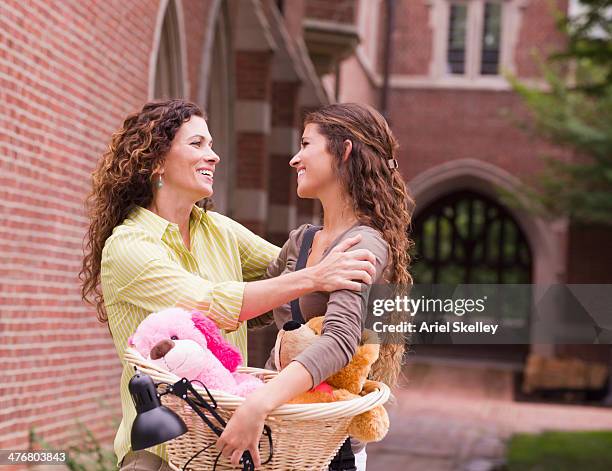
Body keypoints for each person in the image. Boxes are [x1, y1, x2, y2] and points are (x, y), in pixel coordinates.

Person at [79, 99, 378, 470]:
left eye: (212, 144)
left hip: (227, 448)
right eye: (197, 144)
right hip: (161, 454)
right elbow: (213, 304)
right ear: (155, 161)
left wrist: (361, 244)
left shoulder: (218, 230)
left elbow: (292, 275)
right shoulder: (129, 247)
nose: (214, 156)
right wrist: (315, 276)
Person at [216, 103, 414, 470]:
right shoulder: (302, 241)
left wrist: (258, 403)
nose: (295, 159)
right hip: (285, 436)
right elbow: (253, 309)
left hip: (328, 449)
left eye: (306, 144)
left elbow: (339, 341)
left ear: (345, 150)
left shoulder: (364, 245)